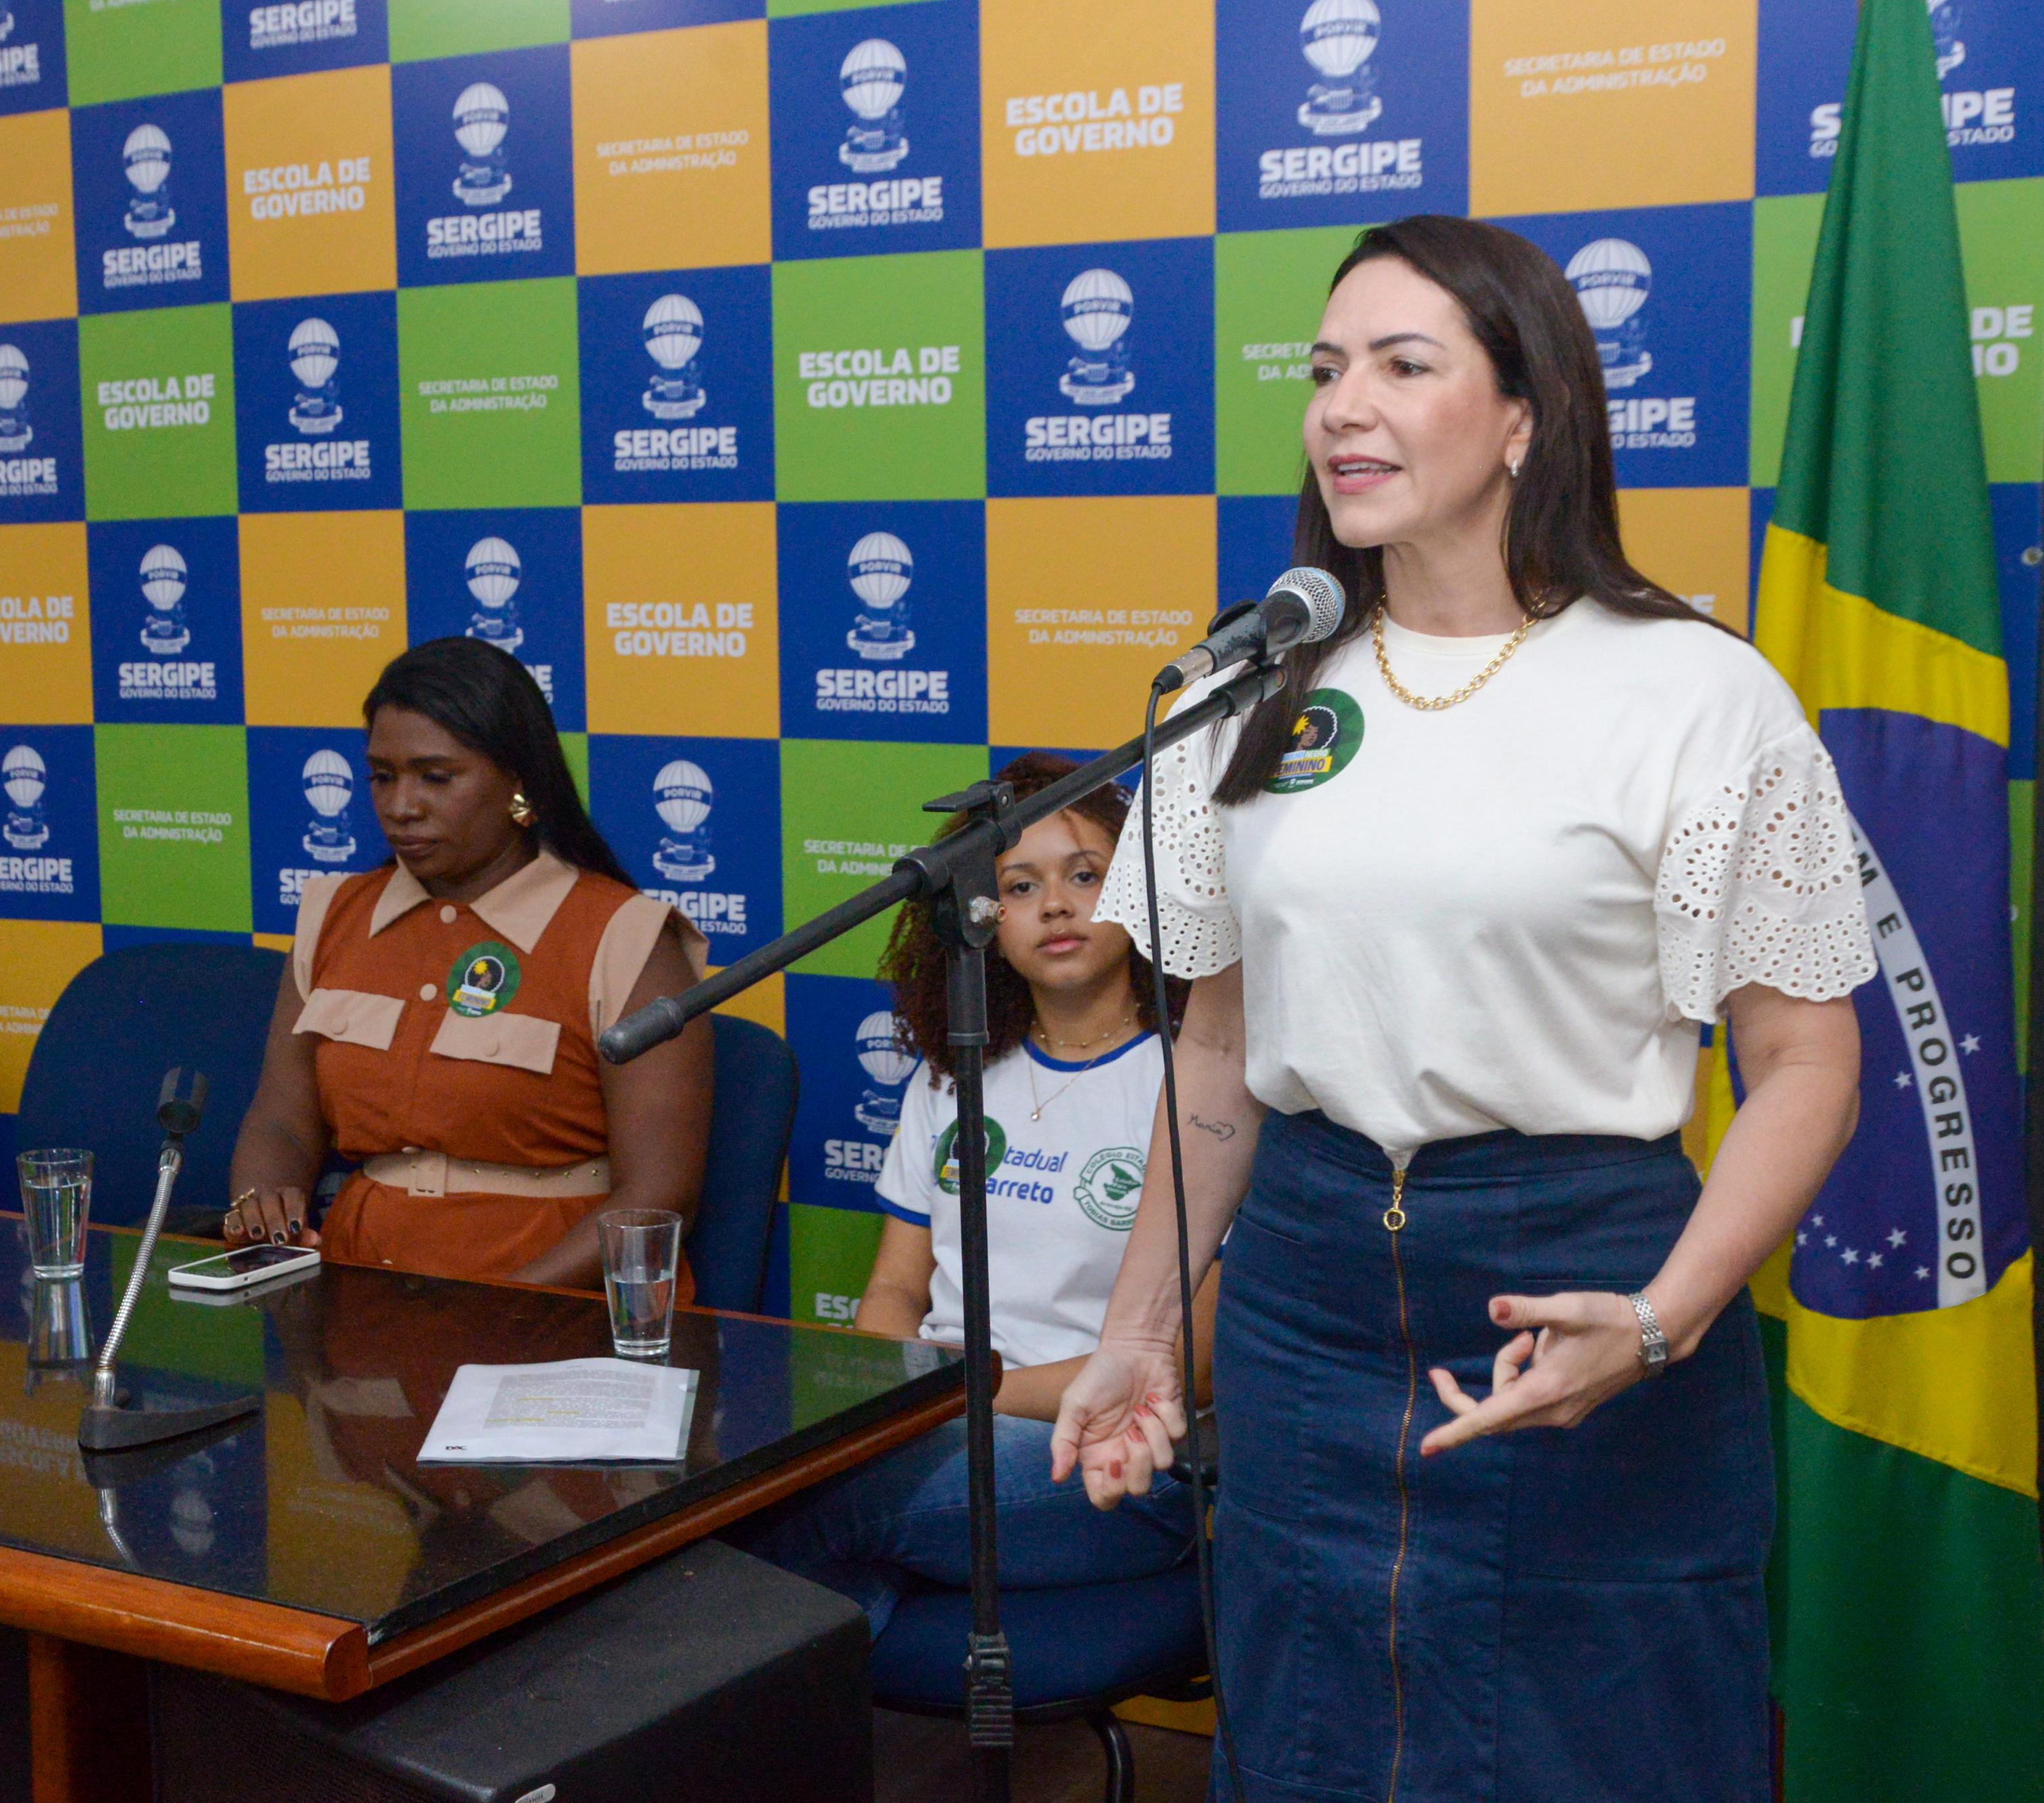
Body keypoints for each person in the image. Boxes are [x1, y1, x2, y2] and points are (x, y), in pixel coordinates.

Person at [1050, 216, 1870, 1803]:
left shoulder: (1690, 691)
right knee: (1308, 1728)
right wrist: (1142, 1328)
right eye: (1324, 369)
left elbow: (1803, 1059)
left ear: (1525, 416)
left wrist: (1658, 1316)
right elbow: (1214, 1050)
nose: (1342, 405)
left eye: (1402, 366)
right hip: (1303, 1290)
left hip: (1580, 1286)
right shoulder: (1242, 686)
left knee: (1600, 1738)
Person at [735, 752, 1201, 1633]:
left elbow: (1196, 1356)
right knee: (789, 1511)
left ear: (1141, 891)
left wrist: (952, 1397)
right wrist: (892, 1400)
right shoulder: (955, 1074)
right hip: (935, 1421)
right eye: (1020, 886)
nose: (1055, 904)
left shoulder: (1195, 1084)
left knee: (820, 1509)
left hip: (1116, 1453)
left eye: (1086, 875)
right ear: (982, 917)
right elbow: (895, 1292)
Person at [226, 638, 714, 1286]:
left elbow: (659, 1194)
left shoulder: (624, 935)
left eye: (436, 776)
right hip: (359, 1301)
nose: (401, 806)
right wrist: (262, 1206)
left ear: (518, 783)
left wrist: (499, 1309)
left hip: (555, 1312)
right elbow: (281, 1120)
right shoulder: (332, 913)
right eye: (382, 775)